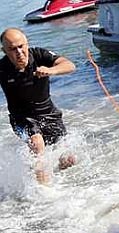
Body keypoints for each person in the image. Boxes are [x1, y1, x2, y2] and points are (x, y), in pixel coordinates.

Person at [0, 27, 76, 184]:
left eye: (21, 46)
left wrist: (51, 70)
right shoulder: (2, 68)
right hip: (21, 118)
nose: (19, 52)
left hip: (49, 113)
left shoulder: (40, 55)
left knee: (68, 159)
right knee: (37, 145)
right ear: (4, 51)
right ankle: (42, 194)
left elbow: (69, 65)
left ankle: (68, 188)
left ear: (27, 44)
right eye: (13, 49)